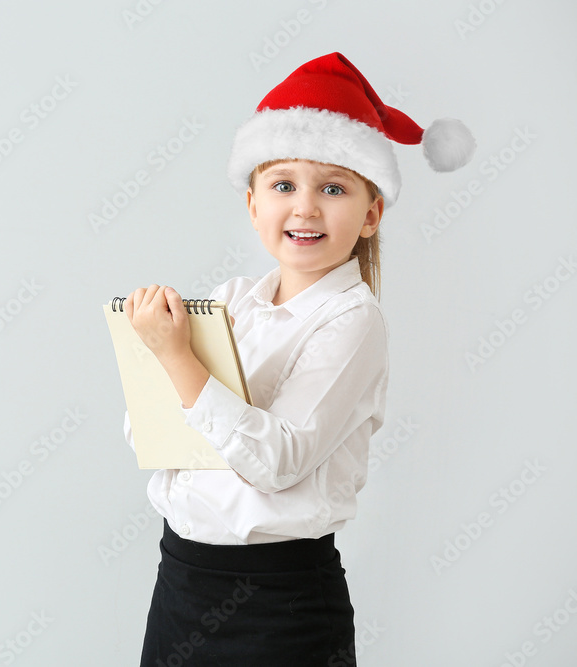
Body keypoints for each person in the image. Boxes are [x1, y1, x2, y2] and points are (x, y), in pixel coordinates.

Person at [121, 52, 475, 666]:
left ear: (371, 214)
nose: (305, 207)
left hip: (277, 603)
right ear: (253, 205)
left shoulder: (353, 322)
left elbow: (276, 460)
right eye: (283, 184)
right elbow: (152, 439)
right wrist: (158, 359)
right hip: (181, 579)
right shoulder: (232, 301)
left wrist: (177, 360)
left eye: (332, 187)